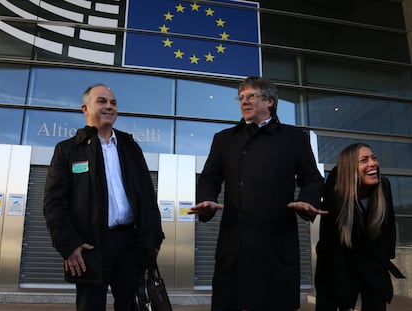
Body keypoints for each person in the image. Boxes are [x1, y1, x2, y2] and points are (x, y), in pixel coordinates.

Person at [189, 76, 326, 311]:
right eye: (241, 97)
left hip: (276, 242)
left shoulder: (294, 138)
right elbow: (210, 177)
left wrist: (306, 199)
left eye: (251, 96)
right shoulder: (224, 139)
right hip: (235, 242)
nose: (244, 102)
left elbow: (312, 178)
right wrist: (207, 199)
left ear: (270, 101)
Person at [43, 84, 164, 311]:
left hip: (130, 244)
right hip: (90, 245)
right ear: (85, 109)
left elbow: (147, 196)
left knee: (133, 306)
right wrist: (68, 245)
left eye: (113, 103)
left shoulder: (130, 147)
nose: (109, 106)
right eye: (102, 101)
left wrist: (153, 238)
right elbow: (54, 203)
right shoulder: (68, 150)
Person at [315, 142, 404, 311]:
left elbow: (389, 226)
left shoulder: (383, 186)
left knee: (377, 302)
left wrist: (385, 255)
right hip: (337, 257)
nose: (373, 163)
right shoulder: (336, 186)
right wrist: (343, 296)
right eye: (364, 160)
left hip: (372, 258)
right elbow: (329, 238)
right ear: (350, 169)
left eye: (373, 158)